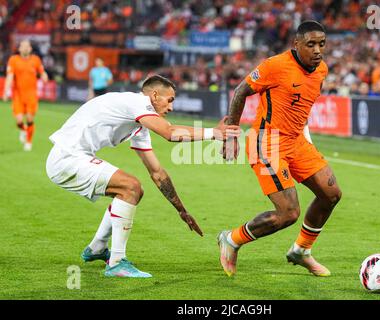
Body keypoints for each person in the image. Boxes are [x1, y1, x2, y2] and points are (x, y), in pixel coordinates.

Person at [46, 75, 240, 278]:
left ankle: (97, 247)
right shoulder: (136, 103)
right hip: (67, 158)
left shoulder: (139, 123)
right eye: (169, 100)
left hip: (72, 157)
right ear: (154, 95)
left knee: (130, 191)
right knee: (130, 187)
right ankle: (117, 263)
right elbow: (170, 133)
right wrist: (214, 133)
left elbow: (157, 172)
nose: (171, 107)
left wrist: (181, 210)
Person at [218, 21, 342, 277]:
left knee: (331, 194)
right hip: (267, 142)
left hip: (296, 141)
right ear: (296, 44)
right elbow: (241, 91)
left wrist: (307, 140)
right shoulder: (276, 66)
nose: (318, 50)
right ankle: (231, 239)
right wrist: (231, 132)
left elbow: (301, 108)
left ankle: (301, 251)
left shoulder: (321, 70)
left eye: (322, 44)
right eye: (311, 44)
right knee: (288, 213)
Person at [2, 39, 48, 151]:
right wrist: (6, 91)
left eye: (27, 46)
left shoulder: (35, 60)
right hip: (17, 95)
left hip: (31, 95)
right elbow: (9, 76)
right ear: (19, 48)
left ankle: (28, 142)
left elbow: (42, 71)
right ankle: (23, 129)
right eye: (23, 46)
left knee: (29, 118)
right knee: (18, 121)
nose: (25, 48)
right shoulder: (13, 60)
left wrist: (44, 76)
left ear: (30, 48)